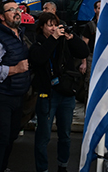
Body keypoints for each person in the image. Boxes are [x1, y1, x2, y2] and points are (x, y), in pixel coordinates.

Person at [29, 12, 89, 172]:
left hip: (66, 93)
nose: (54, 28)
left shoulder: (64, 42)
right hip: (47, 94)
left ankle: (63, 166)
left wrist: (72, 38)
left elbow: (83, 52)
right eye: (50, 25)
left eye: (56, 25)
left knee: (65, 135)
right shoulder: (38, 44)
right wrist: (53, 39)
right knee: (43, 136)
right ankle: (42, 169)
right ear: (42, 27)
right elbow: (39, 58)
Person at [0, 0, 31, 172]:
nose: (17, 12)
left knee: (10, 137)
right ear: (1, 16)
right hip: (0, 96)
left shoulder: (18, 35)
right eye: (11, 10)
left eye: (18, 9)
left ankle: (2, 168)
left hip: (16, 95)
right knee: (1, 139)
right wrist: (14, 69)